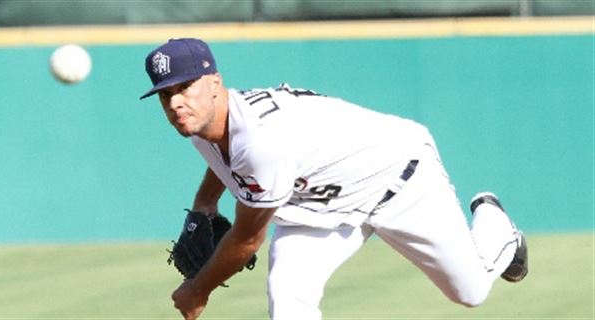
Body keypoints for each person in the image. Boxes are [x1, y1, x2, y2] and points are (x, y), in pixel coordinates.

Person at [140, 38, 528, 320]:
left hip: (399, 181)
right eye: (165, 95)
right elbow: (224, 161)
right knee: (288, 301)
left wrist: (198, 289)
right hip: (316, 208)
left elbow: (246, 238)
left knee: (470, 291)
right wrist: (206, 202)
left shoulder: (261, 140)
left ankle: (497, 226)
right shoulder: (202, 123)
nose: (175, 103)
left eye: (185, 87)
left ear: (214, 83)